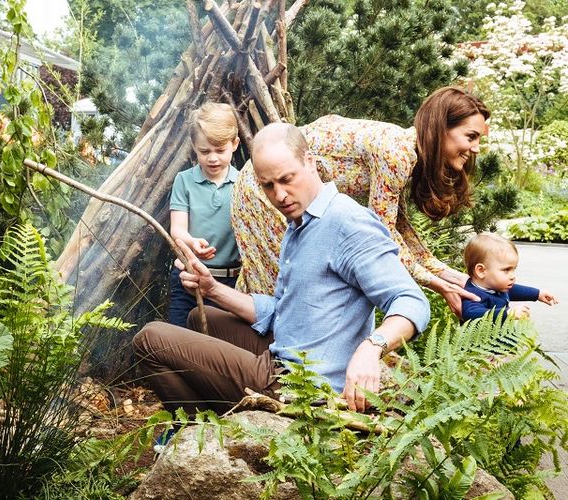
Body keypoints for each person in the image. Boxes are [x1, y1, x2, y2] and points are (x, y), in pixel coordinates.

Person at [133, 123, 430, 429]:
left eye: (287, 179)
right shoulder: (300, 223)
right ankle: (222, 422)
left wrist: (372, 347)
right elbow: (286, 311)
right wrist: (212, 289)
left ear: (311, 162)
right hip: (287, 350)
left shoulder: (348, 223)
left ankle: (203, 430)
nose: (280, 195)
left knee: (149, 339)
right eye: (268, 185)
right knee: (199, 316)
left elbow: (411, 302)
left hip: (301, 386)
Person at [232, 86, 490, 318]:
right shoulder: (396, 153)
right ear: (442, 129)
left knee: (279, 283)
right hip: (261, 186)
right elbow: (383, 235)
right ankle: (273, 365)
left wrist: (451, 276)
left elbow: (399, 227)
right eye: (471, 136)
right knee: (284, 287)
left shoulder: (406, 152)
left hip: (276, 185)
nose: (476, 148)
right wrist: (436, 284)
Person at [167, 102, 242, 327]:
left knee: (221, 348)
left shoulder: (243, 184)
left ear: (235, 144)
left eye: (220, 150)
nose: (213, 158)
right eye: (204, 151)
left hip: (230, 283)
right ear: (194, 146)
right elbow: (177, 230)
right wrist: (191, 242)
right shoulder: (184, 181)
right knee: (181, 342)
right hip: (188, 277)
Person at [461, 232, 558, 322]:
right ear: (481, 271)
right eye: (506, 270)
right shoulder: (473, 294)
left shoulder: (496, 286)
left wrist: (538, 294)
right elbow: (470, 314)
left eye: (513, 270)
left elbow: (512, 290)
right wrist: (506, 313)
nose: (512, 276)